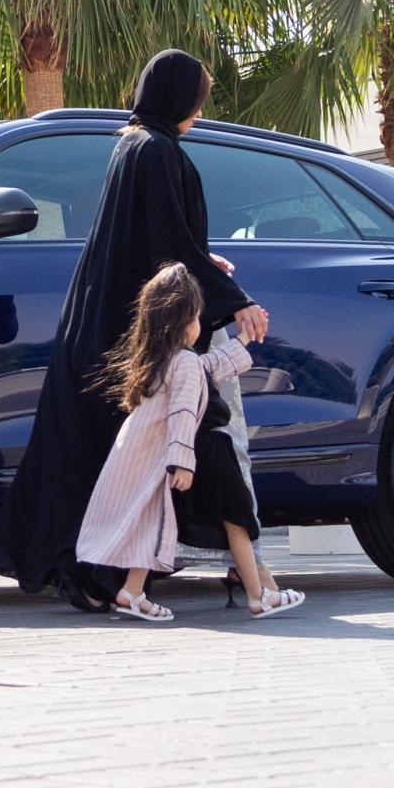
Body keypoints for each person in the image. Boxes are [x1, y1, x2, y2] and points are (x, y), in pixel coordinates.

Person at [0, 49, 270, 610]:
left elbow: (151, 241)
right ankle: (108, 579)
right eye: (197, 98)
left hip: (101, 325)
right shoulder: (160, 151)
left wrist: (202, 265)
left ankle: (93, 577)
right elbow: (167, 242)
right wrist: (235, 300)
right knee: (137, 458)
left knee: (93, 455)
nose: (198, 109)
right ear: (177, 97)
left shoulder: (130, 146)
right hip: (130, 340)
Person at [74, 262, 254, 621]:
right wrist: (183, 461)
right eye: (198, 317)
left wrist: (243, 341)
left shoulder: (160, 358)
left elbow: (208, 368)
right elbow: (184, 414)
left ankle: (132, 592)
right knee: (153, 519)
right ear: (184, 321)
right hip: (158, 455)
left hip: (135, 452)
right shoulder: (184, 361)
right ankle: (132, 591)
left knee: (145, 517)